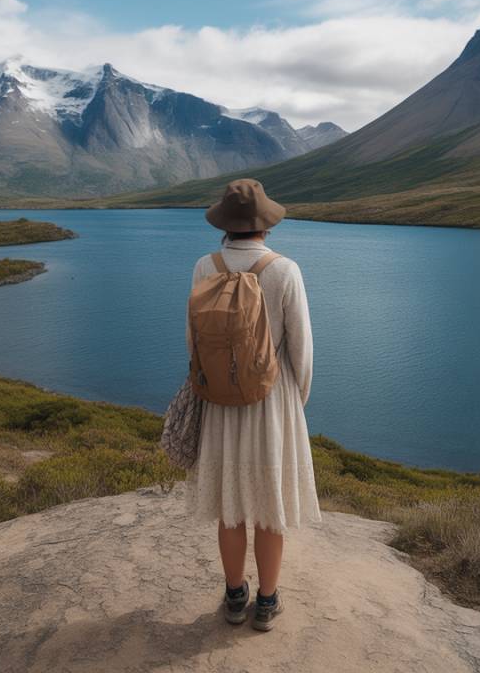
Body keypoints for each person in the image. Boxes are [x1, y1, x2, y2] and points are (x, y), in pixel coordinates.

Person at [185, 178, 322, 632]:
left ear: (225, 224)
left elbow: (193, 342)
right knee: (269, 506)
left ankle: (234, 596)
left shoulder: (206, 266)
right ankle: (267, 602)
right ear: (265, 224)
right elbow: (300, 349)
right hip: (271, 402)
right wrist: (293, 402)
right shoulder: (285, 270)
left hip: (220, 403)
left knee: (231, 506)